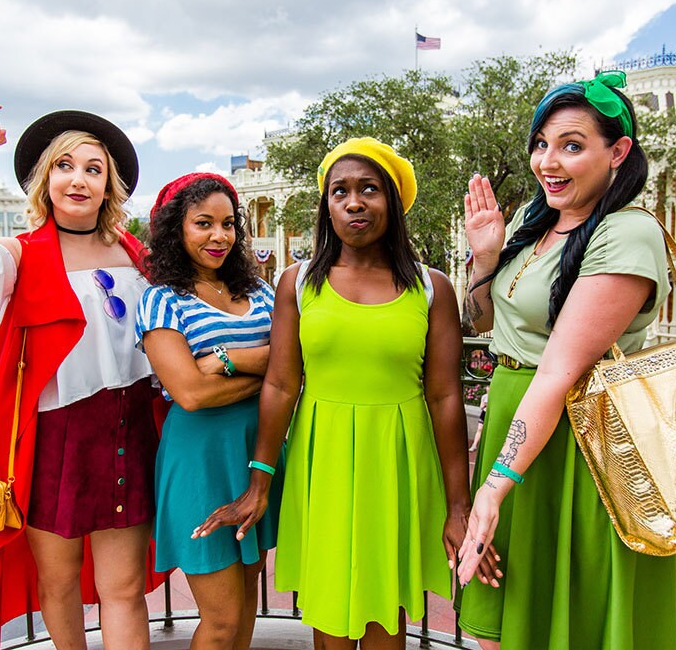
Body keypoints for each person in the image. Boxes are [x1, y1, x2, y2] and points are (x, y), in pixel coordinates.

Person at [196, 138, 498, 648]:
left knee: (386, 614)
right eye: (340, 191)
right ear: (327, 206)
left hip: (398, 464)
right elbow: (281, 383)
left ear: (393, 203)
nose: (354, 202)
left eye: (369, 189)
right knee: (330, 614)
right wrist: (260, 482)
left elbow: (446, 397)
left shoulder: (432, 288)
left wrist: (458, 505)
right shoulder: (297, 283)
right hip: (324, 462)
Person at [454, 71, 676, 649]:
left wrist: (492, 488)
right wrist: (486, 252)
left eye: (572, 145)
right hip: (518, 429)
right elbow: (484, 322)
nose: (549, 161)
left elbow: (560, 372)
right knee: (506, 614)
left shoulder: (626, 233)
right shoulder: (530, 223)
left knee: (579, 617)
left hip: (585, 444)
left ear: (617, 152)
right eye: (542, 144)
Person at [0, 102, 163, 650]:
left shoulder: (135, 254)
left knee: (123, 589)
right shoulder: (20, 255)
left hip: (129, 433)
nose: (78, 178)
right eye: (64, 165)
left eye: (93, 169)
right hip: (53, 441)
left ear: (109, 187)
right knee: (57, 585)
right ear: (45, 179)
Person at [136, 172, 284, 649]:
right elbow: (191, 395)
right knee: (220, 619)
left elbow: (292, 367)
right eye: (203, 223)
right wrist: (265, 375)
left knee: (244, 607)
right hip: (199, 459)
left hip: (256, 455)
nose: (219, 236)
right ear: (176, 229)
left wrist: (225, 360)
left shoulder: (260, 293)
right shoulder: (161, 299)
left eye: (227, 224)